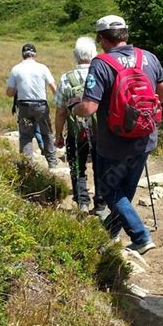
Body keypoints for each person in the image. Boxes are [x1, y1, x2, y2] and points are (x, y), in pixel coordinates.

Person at [75, 15, 163, 254]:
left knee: (109, 192)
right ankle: (108, 238)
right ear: (125, 35)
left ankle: (140, 236)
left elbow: (88, 108)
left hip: (114, 143)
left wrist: (76, 106)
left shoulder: (102, 63)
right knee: (125, 192)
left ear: (102, 39)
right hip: (145, 138)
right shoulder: (147, 57)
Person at [54, 36, 105, 215]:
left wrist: (58, 135)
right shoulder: (101, 74)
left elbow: (61, 111)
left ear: (75, 55)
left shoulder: (67, 78)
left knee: (77, 166)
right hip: (102, 132)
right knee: (100, 166)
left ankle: (82, 202)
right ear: (94, 54)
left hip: (77, 133)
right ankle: (100, 204)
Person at [6, 43, 58, 168]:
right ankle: (52, 162)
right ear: (35, 55)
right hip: (41, 106)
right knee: (46, 133)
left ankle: (26, 164)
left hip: (24, 107)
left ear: (22, 55)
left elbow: (9, 93)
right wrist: (59, 101)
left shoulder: (16, 69)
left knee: (25, 136)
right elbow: (53, 87)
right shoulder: (43, 68)